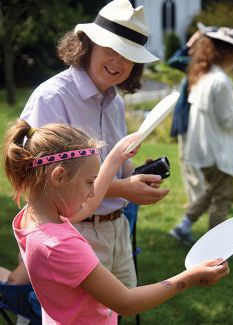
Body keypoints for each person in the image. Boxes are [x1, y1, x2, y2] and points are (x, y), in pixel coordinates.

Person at [3, 119, 229, 325]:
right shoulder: (61, 245)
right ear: (59, 177)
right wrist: (188, 279)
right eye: (88, 182)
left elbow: (89, 202)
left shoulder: (32, 218)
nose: (92, 191)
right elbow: (125, 301)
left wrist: (114, 158)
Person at [20, 0, 169, 290]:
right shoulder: (52, 98)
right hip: (71, 233)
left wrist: (135, 173)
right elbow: (47, 183)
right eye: (111, 49)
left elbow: (118, 161)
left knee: (112, 323)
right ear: (87, 45)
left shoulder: (113, 101)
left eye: (128, 56)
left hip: (117, 228)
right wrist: (123, 188)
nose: (118, 61)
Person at [170, 27, 233, 246]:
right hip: (216, 150)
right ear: (228, 54)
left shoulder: (203, 75)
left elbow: (217, 112)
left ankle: (183, 226)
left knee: (211, 192)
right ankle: (215, 246)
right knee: (223, 198)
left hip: (204, 148)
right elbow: (227, 119)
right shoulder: (220, 81)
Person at [168, 24, 218, 208]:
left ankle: (198, 203)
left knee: (191, 164)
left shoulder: (201, 64)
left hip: (191, 122)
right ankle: (196, 201)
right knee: (190, 163)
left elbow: (173, 61)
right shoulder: (207, 64)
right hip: (191, 121)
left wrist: (189, 44)